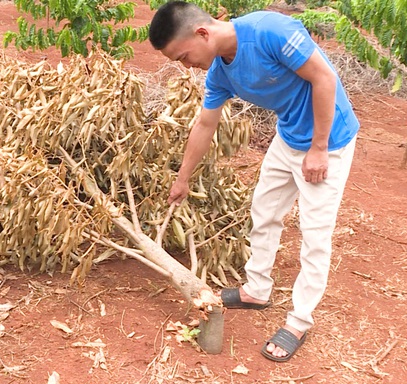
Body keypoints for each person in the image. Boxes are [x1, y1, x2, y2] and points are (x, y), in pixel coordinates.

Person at [149, 1, 359, 362]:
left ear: (202, 33)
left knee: (314, 234)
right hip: (289, 137)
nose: (187, 66)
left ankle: (298, 322)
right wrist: (182, 179)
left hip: (329, 141)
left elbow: (325, 78)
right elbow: (205, 124)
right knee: (263, 212)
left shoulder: (270, 31)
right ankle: (257, 291)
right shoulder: (220, 74)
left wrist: (319, 149)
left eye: (183, 57)